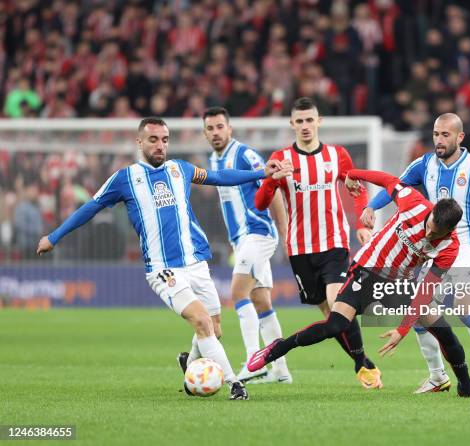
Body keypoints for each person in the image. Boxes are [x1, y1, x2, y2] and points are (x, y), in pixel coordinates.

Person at [36, 117, 292, 401]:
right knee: (202, 322)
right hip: (163, 270)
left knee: (214, 329)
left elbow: (220, 177)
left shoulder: (179, 169)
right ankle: (233, 382)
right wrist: (54, 237)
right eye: (153, 140)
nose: (160, 145)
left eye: (165, 140)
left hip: (196, 262)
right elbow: (90, 208)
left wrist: (260, 174)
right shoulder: (125, 178)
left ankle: (189, 362)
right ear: (140, 142)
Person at [248, 168, 470, 398]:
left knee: (444, 331)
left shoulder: (449, 247)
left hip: (399, 284)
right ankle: (276, 350)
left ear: (451, 230)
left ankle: (466, 386)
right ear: (430, 212)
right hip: (366, 270)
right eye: (429, 227)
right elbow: (388, 181)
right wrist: (353, 175)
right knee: (335, 326)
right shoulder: (412, 201)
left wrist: (401, 330)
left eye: (436, 234)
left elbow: (425, 290)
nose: (429, 234)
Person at [362, 113, 470, 395]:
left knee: (463, 307)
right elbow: (394, 187)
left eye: (445, 135)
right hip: (437, 248)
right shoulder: (425, 164)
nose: (439, 140)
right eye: (436, 134)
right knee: (421, 310)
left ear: (460, 137)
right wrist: (371, 207)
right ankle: (437, 376)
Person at [254, 97, 381, 389]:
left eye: (310, 120)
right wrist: (272, 179)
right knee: (329, 315)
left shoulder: (337, 155)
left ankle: (362, 366)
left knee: (339, 305)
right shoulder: (282, 158)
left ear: (319, 121)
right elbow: (261, 203)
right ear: (292, 124)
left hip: (334, 243)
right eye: (299, 121)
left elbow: (356, 188)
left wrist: (361, 223)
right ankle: (362, 361)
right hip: (299, 248)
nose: (305, 126)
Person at [202, 106, 292, 384]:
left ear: (230, 129)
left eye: (220, 126)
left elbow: (272, 185)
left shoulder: (245, 154)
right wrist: (235, 243)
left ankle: (255, 362)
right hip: (243, 240)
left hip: (259, 233)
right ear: (205, 133)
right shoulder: (213, 160)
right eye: (210, 128)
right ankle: (280, 370)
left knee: (238, 292)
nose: (216, 132)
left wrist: (285, 232)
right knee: (261, 300)